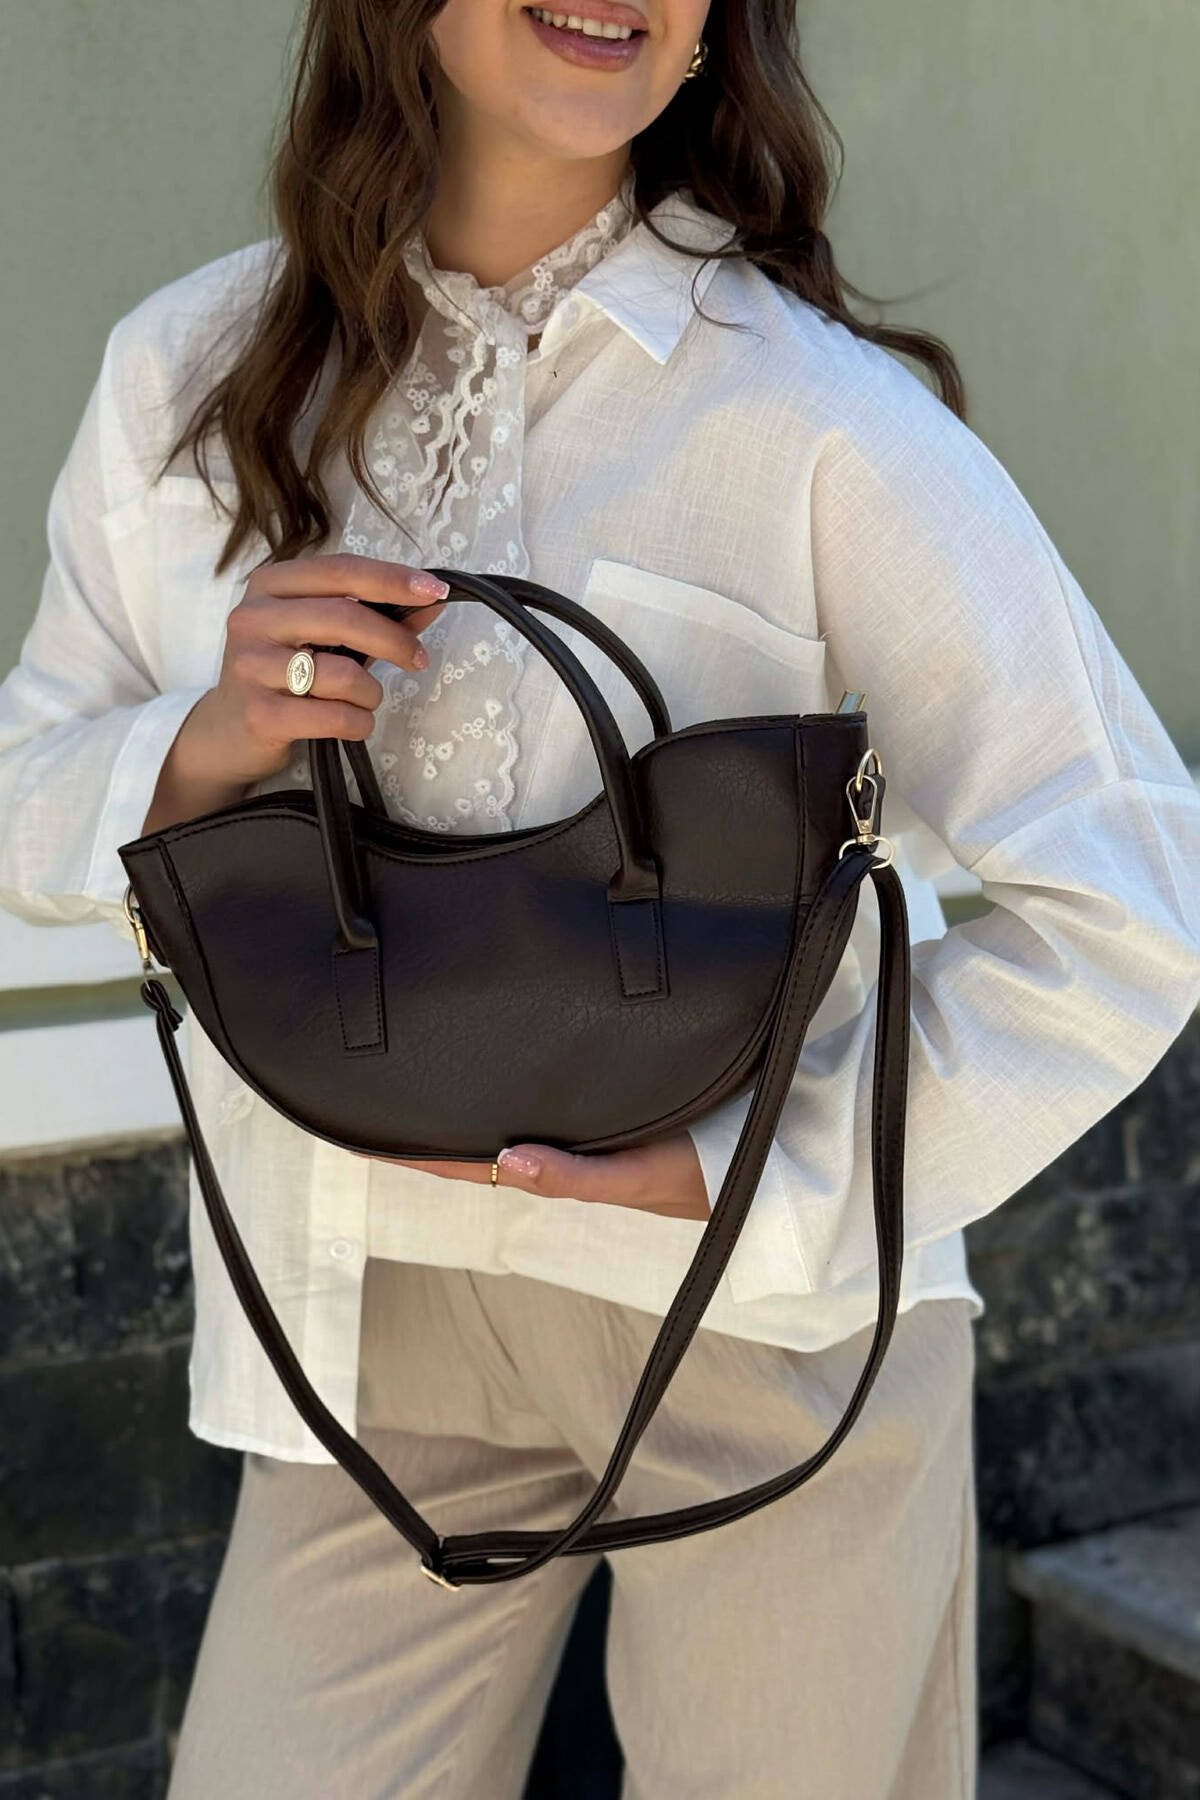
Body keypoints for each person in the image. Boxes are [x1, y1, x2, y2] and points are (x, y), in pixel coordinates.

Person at [2, 0, 1199, 1794]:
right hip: (363, 1320)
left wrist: (750, 1168)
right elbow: (23, 796)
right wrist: (201, 744)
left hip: (753, 1320)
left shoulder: (809, 416)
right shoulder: (191, 375)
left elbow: (1132, 893)